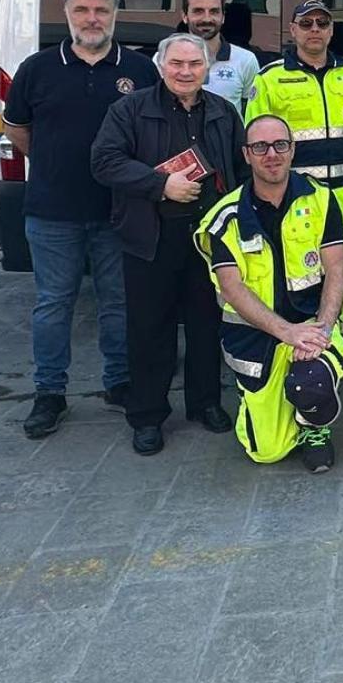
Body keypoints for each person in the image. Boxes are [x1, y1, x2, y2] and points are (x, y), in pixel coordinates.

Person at [4, 0, 157, 440]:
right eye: (82, 11)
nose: (92, 19)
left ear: (115, 16)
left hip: (118, 210)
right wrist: (55, 163)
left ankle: (119, 383)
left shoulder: (140, 70)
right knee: (54, 304)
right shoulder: (37, 68)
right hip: (52, 210)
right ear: (67, 14)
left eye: (101, 11)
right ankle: (49, 393)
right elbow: (18, 130)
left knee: (118, 302)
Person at [90, 33, 247, 455]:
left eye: (194, 64)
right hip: (150, 236)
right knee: (149, 330)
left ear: (207, 68)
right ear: (161, 66)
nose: (185, 72)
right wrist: (161, 184)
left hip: (207, 239)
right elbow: (104, 161)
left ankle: (205, 402)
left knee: (206, 325)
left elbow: (237, 169)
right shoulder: (129, 109)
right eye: (176, 64)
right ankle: (146, 416)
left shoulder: (223, 111)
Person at [194, 115, 343, 472]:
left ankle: (314, 425)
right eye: (260, 147)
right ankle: (268, 400)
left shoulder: (321, 199)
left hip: (312, 329)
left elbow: (336, 269)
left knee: (312, 380)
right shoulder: (224, 219)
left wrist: (322, 330)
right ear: (246, 155)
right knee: (266, 452)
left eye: (280, 144)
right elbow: (233, 289)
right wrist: (287, 333)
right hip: (256, 340)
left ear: (292, 150)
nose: (272, 154)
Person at [246, 0, 343, 321]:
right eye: (306, 23)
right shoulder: (270, 79)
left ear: (332, 30)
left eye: (322, 23)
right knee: (299, 269)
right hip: (297, 197)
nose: (315, 30)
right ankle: (299, 335)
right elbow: (255, 141)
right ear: (293, 30)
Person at [181, 0, 259, 113]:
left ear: (223, 17)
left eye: (214, 11)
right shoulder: (164, 59)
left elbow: (252, 113)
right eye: (198, 11)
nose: (207, 19)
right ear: (184, 16)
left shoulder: (246, 60)